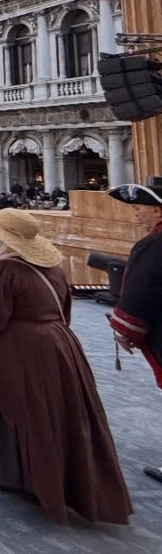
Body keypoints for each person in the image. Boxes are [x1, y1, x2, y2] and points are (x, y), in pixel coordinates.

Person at [0, 207, 132, 524]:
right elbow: (63, 308)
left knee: (19, 411)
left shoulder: (2, 270)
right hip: (60, 345)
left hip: (18, 348)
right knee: (58, 413)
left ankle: (14, 474)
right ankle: (62, 478)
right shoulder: (52, 268)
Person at [107, 180, 162, 483]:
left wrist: (126, 330)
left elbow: (140, 293)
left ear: (156, 209)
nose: (135, 215)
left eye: (139, 208)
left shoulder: (153, 244)